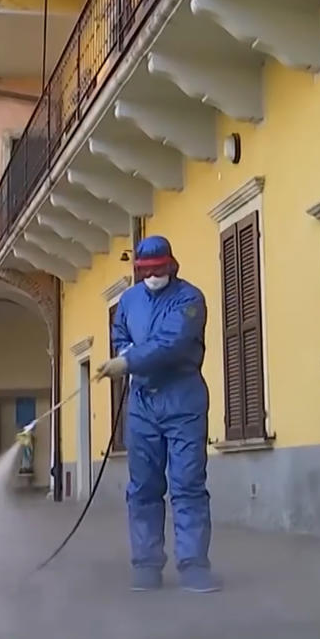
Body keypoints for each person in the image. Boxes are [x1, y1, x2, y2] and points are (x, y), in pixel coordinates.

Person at [96, 235, 220, 593]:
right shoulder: (129, 300)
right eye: (145, 271)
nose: (153, 276)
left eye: (159, 269)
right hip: (142, 405)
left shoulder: (190, 299)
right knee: (143, 488)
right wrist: (123, 350)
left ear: (172, 265)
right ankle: (146, 565)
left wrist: (127, 361)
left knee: (187, 485)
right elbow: (120, 331)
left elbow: (172, 341)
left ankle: (194, 565)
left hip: (183, 400)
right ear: (137, 271)